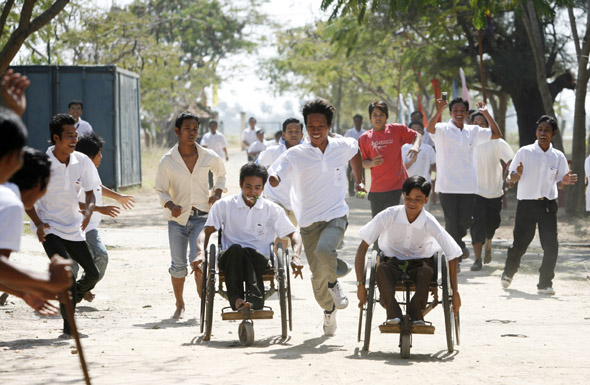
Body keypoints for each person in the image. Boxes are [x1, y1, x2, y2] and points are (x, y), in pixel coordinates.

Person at [269, 98, 366, 336]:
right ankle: (328, 310)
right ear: (305, 128)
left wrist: (359, 178)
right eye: (310, 126)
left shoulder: (341, 145)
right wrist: (275, 179)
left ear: (329, 126)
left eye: (320, 125)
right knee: (318, 275)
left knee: (324, 252)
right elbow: (277, 170)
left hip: (336, 214)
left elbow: (356, 152)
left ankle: (335, 282)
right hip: (308, 222)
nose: (315, 130)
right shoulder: (297, 154)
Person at [26, 113, 101, 339]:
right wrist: (39, 224)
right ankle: (69, 329)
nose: (74, 140)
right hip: (48, 227)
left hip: (73, 226)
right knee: (66, 274)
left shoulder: (82, 161)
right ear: (56, 138)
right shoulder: (41, 164)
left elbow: (90, 192)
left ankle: (68, 297)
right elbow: (25, 199)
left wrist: (88, 212)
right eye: (69, 136)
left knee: (93, 274)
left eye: (76, 136)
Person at [355, 176, 461, 324]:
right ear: (403, 196)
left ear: (426, 200)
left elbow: (452, 254)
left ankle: (416, 313)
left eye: (418, 199)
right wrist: (360, 285)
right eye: (408, 198)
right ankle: (393, 314)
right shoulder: (388, 215)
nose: (412, 203)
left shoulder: (429, 222)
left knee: (426, 271)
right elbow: (362, 248)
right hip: (392, 262)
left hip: (421, 264)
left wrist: (455, 292)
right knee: (381, 269)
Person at [155, 111, 227, 319]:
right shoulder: (167, 160)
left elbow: (221, 175)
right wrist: (169, 204)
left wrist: (218, 192)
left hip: (202, 218)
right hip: (177, 220)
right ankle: (179, 304)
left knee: (198, 261)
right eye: (187, 128)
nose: (191, 132)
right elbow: (160, 189)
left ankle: (204, 304)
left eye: (195, 129)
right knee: (178, 265)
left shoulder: (208, 156)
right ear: (177, 131)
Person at [203, 162, 303, 311]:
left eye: (258, 188)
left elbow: (294, 234)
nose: (252, 192)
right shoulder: (223, 205)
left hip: (258, 259)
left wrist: (296, 255)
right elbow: (206, 231)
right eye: (248, 187)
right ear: (240, 184)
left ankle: (245, 301)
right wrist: (200, 253)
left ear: (263, 188)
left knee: (249, 252)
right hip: (230, 258)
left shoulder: (271, 209)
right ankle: (244, 300)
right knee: (237, 249)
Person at [501, 116, 577, 295]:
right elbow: (510, 179)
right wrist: (516, 176)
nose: (543, 133)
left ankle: (545, 283)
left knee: (551, 245)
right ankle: (509, 271)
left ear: (554, 134)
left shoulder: (558, 156)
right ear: (536, 132)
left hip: (548, 206)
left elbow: (560, 182)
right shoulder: (525, 152)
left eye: (547, 130)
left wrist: (564, 181)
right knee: (521, 243)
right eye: (540, 130)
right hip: (526, 204)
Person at [426, 97, 502, 264]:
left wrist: (486, 114)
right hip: (447, 186)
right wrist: (438, 110)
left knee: (465, 222)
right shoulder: (442, 129)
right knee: (451, 222)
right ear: (451, 113)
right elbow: (429, 128)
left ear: (467, 113)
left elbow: (496, 134)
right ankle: (455, 258)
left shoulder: (473, 131)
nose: (459, 114)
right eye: (456, 111)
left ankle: (458, 244)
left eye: (462, 111)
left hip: (468, 186)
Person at [74, 133, 135, 301]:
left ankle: (81, 288)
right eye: (99, 153)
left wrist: (118, 197)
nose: (101, 157)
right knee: (71, 265)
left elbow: (98, 187)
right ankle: (70, 297)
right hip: (73, 228)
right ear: (88, 157)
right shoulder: (75, 174)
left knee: (101, 257)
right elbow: (72, 203)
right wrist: (101, 209)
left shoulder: (91, 170)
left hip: (90, 228)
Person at [359, 101, 421, 219]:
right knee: (378, 224)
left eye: (381, 115)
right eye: (375, 115)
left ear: (386, 116)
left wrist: (415, 146)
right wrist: (371, 163)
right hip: (377, 189)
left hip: (397, 186)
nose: (378, 118)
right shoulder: (364, 138)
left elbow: (417, 135)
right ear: (370, 117)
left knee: (392, 221)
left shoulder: (396, 130)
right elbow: (363, 162)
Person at [469, 112, 514, 271]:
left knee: (493, 223)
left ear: (488, 125)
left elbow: (511, 161)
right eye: (476, 123)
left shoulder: (496, 142)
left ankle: (488, 241)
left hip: (494, 191)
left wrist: (509, 174)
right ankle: (477, 259)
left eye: (483, 122)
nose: (479, 125)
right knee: (476, 224)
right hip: (474, 190)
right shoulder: (467, 141)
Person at [257, 118, 304, 225]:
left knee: (289, 237)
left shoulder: (308, 153)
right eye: (290, 132)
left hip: (296, 205)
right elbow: (255, 168)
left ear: (302, 135)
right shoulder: (272, 151)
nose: (293, 134)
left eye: (297, 132)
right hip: (275, 200)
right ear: (283, 134)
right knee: (282, 235)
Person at [201, 120, 229, 189]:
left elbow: (224, 146)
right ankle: (211, 185)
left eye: (214, 125)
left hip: (219, 157)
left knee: (219, 172)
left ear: (216, 126)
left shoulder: (220, 136)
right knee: (210, 172)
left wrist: (226, 155)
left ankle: (219, 186)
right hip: (209, 157)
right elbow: (203, 145)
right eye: (212, 125)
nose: (213, 127)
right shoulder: (206, 136)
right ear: (209, 127)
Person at [344, 114, 366, 197]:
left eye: (359, 121)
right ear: (354, 122)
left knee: (361, 175)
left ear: (361, 122)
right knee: (350, 175)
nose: (358, 123)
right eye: (356, 121)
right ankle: (351, 192)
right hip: (351, 157)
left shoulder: (364, 133)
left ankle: (361, 193)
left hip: (362, 158)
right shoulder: (349, 132)